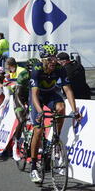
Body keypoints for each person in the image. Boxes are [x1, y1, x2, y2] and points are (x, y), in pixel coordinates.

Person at [29, 44, 81, 183]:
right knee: (38, 131)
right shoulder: (36, 69)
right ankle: (33, 167)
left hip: (51, 93)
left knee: (61, 108)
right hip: (37, 97)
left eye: (54, 58)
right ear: (43, 60)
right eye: (50, 59)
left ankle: (55, 139)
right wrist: (40, 112)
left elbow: (68, 90)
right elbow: (34, 94)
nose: (53, 61)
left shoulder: (60, 68)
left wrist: (75, 110)